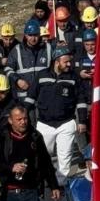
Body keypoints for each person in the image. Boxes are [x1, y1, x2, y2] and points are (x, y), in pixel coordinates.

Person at [31, 47, 83, 186]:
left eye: (70, 62)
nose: (69, 65)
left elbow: (81, 100)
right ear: (56, 61)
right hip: (44, 123)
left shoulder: (74, 78)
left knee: (65, 157)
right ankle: (41, 180)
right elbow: (30, 98)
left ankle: (60, 185)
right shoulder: (41, 76)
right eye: (66, 62)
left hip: (66, 123)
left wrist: (82, 121)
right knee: (40, 154)